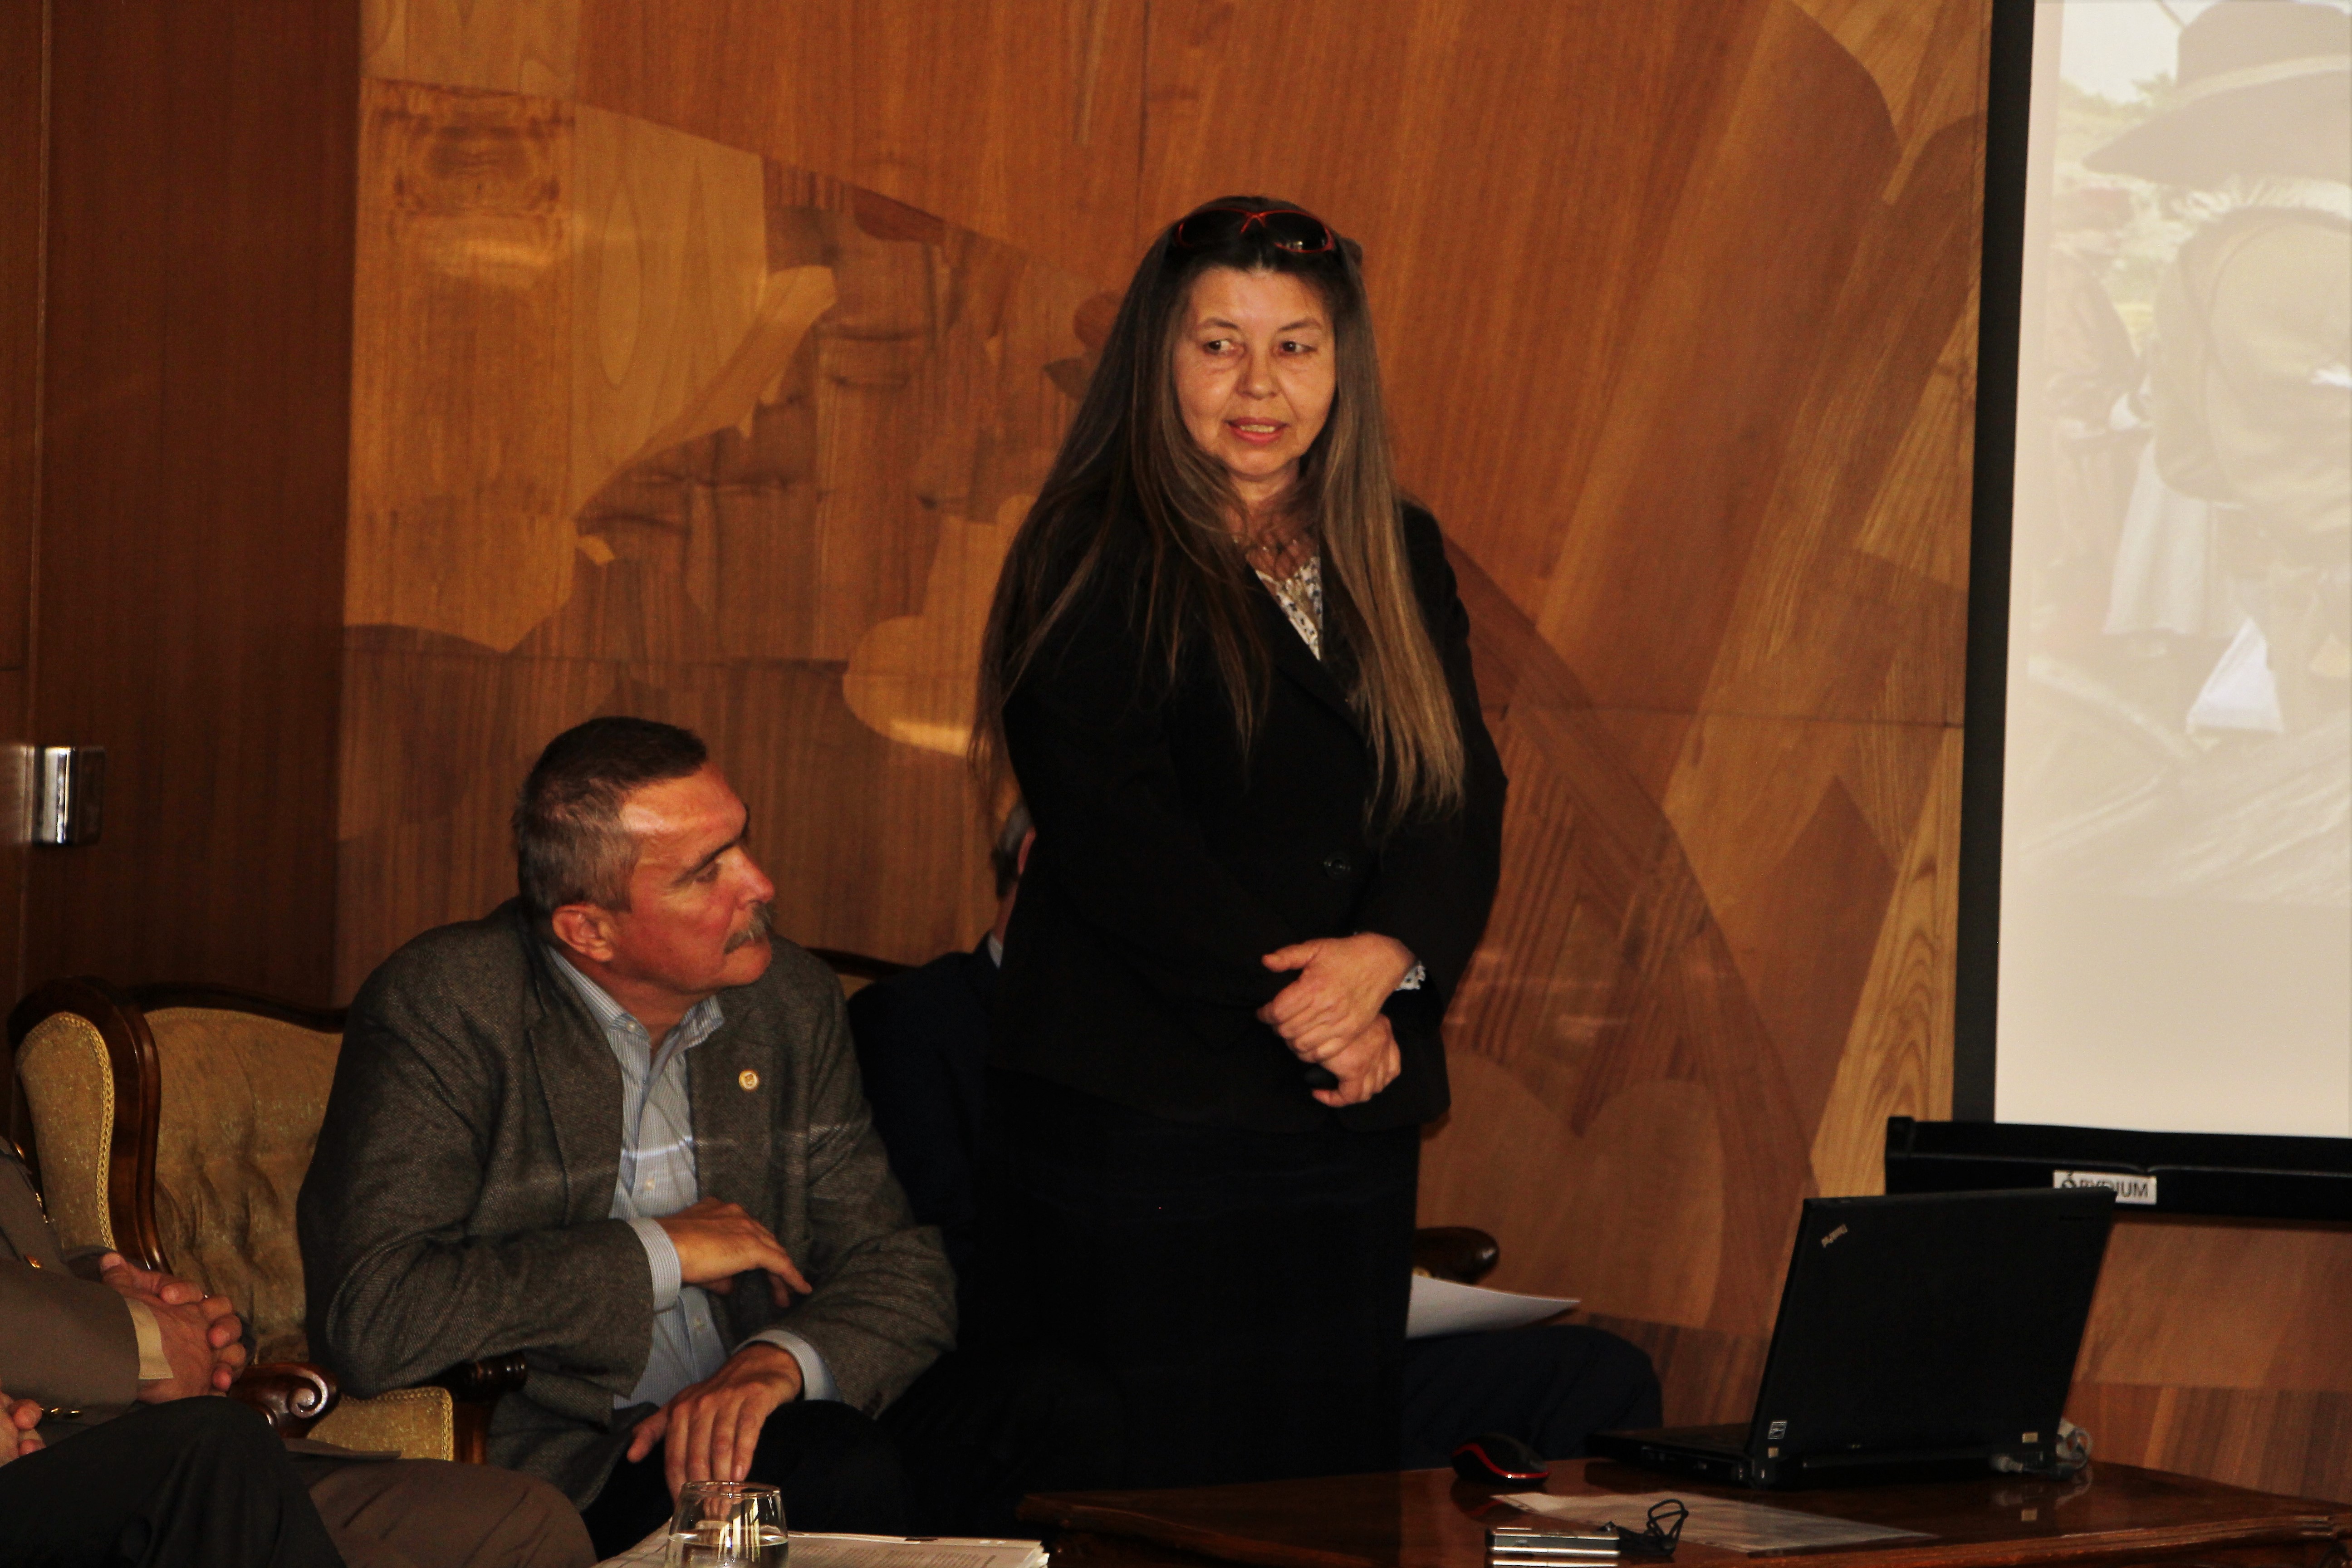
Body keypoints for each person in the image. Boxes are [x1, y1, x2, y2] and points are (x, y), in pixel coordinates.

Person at [967, 197, 1510, 1488]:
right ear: (1159, 361)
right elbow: (1116, 833)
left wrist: (1388, 957)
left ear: (1342, 366)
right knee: (1162, 1499)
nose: (1259, 386)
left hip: (1346, 1117)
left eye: (1296, 347)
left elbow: (1459, 791)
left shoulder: (1398, 546)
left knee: (1328, 1497)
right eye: (1220, 346)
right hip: (1149, 1118)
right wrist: (1316, 1006)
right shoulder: (1087, 548)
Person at [299, 718, 965, 1557]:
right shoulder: (449, 1006)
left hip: (770, 1410)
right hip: (581, 1461)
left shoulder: (787, 1000)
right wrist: (660, 1252)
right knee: (828, 1465)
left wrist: (779, 1363)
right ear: (589, 931)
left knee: (1047, 1406)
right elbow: (375, 1313)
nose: (760, 884)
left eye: (742, 843)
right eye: (705, 872)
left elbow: (900, 1265)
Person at [851, 806, 1659, 1472]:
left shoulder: (1240, 1021)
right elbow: (941, 1264)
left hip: (1298, 1349)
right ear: (1041, 858)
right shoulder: (917, 1023)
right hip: (1113, 1364)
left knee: (1593, 1376)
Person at [2, 1143, 591, 1568]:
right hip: (89, 1467)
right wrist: (143, 1339)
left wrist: (103, 1286)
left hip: (123, 1435)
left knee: (527, 1523)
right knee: (223, 1447)